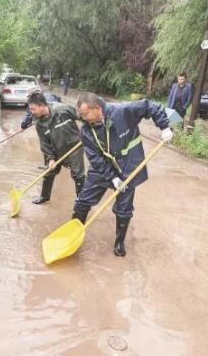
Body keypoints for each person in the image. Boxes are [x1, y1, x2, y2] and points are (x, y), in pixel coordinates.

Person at [71, 92, 173, 257]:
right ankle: (73, 235)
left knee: (124, 208)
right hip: (102, 169)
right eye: (81, 115)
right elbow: (95, 159)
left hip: (128, 166)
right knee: (83, 201)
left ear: (96, 108)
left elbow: (150, 106)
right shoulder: (87, 131)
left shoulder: (122, 111)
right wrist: (112, 177)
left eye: (84, 114)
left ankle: (119, 242)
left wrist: (165, 126)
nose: (82, 118)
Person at [27, 92, 85, 204]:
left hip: (74, 148)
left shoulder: (63, 110)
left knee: (78, 175)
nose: (31, 112)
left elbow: (83, 117)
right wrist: (50, 158)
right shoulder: (39, 123)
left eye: (33, 109)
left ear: (41, 106)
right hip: (55, 150)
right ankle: (44, 196)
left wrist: (87, 133)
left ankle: (82, 203)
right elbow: (44, 143)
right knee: (48, 172)